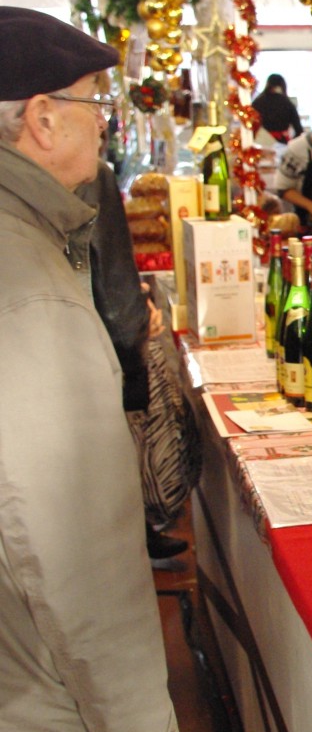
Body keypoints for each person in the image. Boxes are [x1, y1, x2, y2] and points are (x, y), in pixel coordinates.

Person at [0, 6, 181, 732]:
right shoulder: (31, 290)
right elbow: (74, 547)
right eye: (94, 105)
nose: (105, 127)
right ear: (42, 118)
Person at [78, 158, 187, 566]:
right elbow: (111, 262)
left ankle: (133, 532)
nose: (100, 121)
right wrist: (136, 325)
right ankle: (133, 535)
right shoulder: (94, 174)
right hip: (99, 340)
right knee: (119, 451)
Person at [251, 72, 303, 144]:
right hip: (283, 143)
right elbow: (299, 130)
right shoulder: (287, 103)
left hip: (260, 143)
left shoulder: (257, 102)